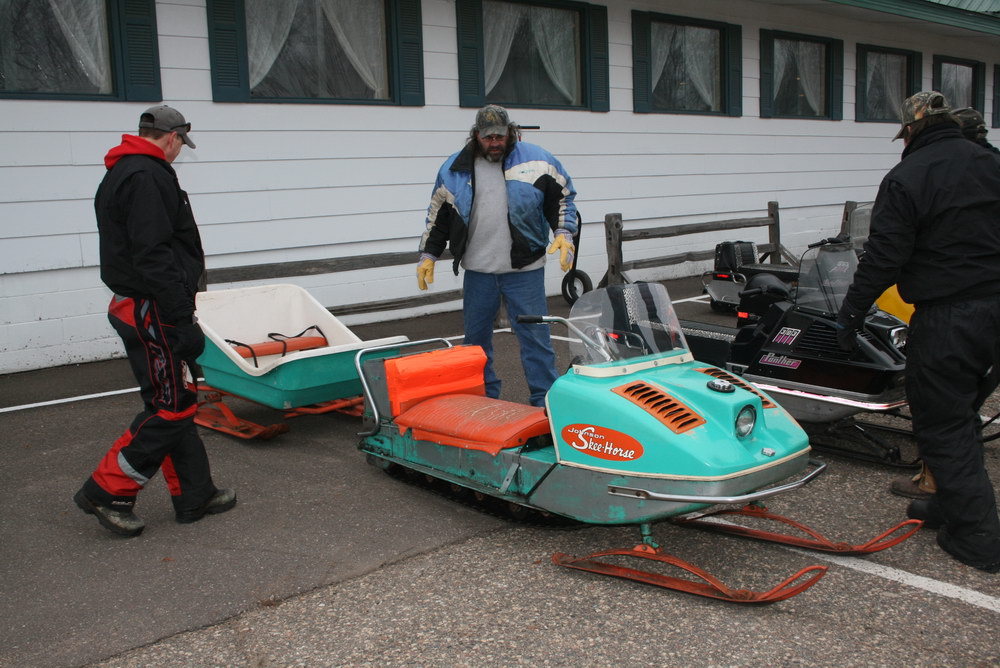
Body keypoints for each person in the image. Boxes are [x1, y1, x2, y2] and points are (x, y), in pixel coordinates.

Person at [836, 91, 1000, 573]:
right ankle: (953, 501)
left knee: (942, 420)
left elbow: (884, 256)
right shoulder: (992, 162)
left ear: (912, 130)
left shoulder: (908, 176)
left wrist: (850, 314)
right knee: (965, 408)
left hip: (953, 313)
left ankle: (979, 537)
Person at [74, 105, 235, 537]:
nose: (181, 150)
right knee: (171, 406)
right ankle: (106, 491)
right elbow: (153, 253)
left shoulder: (125, 171)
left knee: (175, 398)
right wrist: (181, 318)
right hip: (153, 309)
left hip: (142, 304)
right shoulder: (146, 176)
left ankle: (195, 494)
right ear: (172, 137)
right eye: (183, 143)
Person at [416, 105, 578, 407]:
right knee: (475, 344)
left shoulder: (539, 160)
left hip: (525, 268)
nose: (494, 142)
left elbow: (564, 199)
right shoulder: (454, 169)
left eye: (500, 136)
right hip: (478, 270)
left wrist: (564, 233)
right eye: (488, 136)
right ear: (476, 135)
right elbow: (438, 217)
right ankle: (483, 398)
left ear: (511, 133)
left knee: (535, 340)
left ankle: (545, 401)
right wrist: (428, 254)